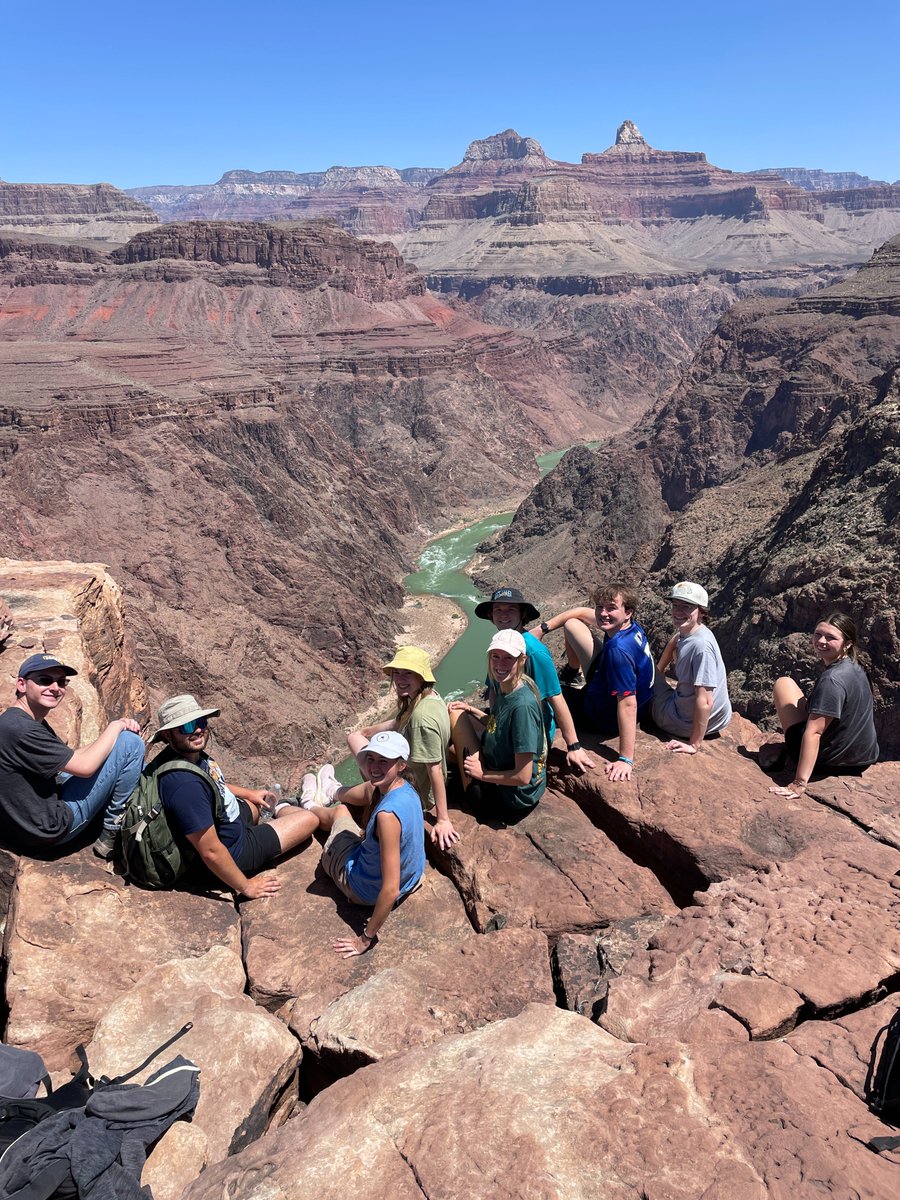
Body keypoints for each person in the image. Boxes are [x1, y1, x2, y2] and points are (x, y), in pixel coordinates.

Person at [151, 694, 318, 900]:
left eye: (200, 721)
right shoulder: (185, 785)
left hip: (228, 821)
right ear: (168, 735)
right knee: (310, 820)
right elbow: (210, 851)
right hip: (235, 851)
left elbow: (213, 785)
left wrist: (249, 794)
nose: (197, 730)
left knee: (254, 806)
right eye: (186, 727)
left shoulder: (182, 756)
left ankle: (269, 811)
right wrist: (246, 886)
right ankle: (285, 805)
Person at [0, 653, 144, 858]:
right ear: (22, 684)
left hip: (21, 826)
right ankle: (111, 832)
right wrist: (116, 726)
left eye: (61, 682)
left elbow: (68, 758)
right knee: (131, 744)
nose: (55, 687)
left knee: (114, 751)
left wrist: (110, 742)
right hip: (46, 829)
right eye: (45, 680)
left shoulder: (18, 719)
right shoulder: (22, 730)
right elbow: (84, 768)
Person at [305, 730, 426, 958]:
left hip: (362, 887)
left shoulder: (386, 817)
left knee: (340, 811)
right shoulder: (408, 787)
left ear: (401, 765)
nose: (374, 767)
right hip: (413, 877)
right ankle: (330, 791)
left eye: (383, 761)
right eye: (370, 759)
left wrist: (365, 939)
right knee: (370, 790)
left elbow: (390, 890)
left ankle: (306, 804)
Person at [533, 583, 654, 782]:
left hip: (601, 715)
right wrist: (542, 629)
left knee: (543, 697)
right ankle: (573, 673)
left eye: (611, 608)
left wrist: (625, 758)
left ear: (628, 612)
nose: (603, 613)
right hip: (609, 681)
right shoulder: (629, 628)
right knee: (572, 623)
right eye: (600, 607)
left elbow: (627, 705)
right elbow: (579, 612)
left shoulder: (618, 650)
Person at [344, 646, 458, 850]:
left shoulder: (422, 719)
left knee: (355, 745)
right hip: (410, 775)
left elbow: (435, 769)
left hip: (414, 792)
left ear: (421, 676)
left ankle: (332, 792)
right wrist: (369, 731)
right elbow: (399, 722)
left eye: (408, 673)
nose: (399, 679)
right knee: (357, 736)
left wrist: (443, 819)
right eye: (397, 673)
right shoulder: (428, 697)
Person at [474, 587, 595, 774]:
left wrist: (574, 747)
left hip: (529, 728)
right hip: (506, 718)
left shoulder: (533, 651)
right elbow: (494, 690)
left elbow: (556, 697)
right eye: (498, 609)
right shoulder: (500, 643)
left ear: (522, 615)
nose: (503, 615)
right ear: (491, 615)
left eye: (510, 610)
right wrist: (494, 724)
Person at [768, 611, 879, 799]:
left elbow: (814, 732)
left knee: (783, 684)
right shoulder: (857, 666)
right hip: (864, 758)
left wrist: (799, 783)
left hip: (830, 761)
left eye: (830, 637)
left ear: (848, 643)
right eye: (818, 634)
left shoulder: (832, 680)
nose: (821, 641)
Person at [449, 629, 547, 819]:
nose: (500, 664)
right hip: (507, 779)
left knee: (452, 741)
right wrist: (472, 710)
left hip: (510, 800)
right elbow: (499, 725)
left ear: (522, 660)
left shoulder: (522, 707)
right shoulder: (509, 686)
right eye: (496, 656)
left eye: (508, 658)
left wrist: (482, 774)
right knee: (458, 722)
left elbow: (523, 776)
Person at [651, 582, 732, 753]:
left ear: (701, 611)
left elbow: (705, 702)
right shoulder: (696, 631)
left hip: (683, 722)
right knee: (654, 675)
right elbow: (676, 639)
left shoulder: (700, 647)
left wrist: (694, 745)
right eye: (675, 605)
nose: (678, 612)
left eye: (687, 607)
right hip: (719, 718)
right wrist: (660, 670)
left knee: (643, 677)